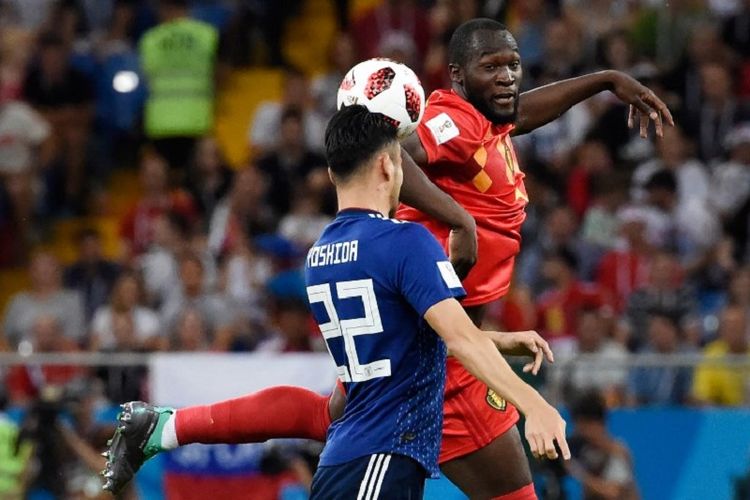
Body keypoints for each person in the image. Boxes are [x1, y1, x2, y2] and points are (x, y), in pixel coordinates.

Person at [102, 18, 672, 499]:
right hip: (441, 345)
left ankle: (166, 425)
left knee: (332, 414)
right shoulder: (452, 122)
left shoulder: (490, 124)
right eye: (491, 67)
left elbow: (517, 115)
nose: (506, 78)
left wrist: (604, 81)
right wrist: (460, 219)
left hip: (421, 318)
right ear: (454, 77)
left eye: (513, 65)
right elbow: (393, 149)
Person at [102, 105, 570, 497]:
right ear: (391, 165)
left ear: (331, 173)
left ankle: (168, 428)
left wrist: (501, 340)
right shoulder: (405, 242)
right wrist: (537, 406)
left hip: (356, 453)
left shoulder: (320, 254)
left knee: (326, 410)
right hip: (379, 459)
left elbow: (401, 339)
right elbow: (460, 338)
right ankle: (167, 428)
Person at [139, 0, 218, 171]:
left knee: (165, 179)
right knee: (194, 178)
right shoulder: (206, 35)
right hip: (196, 118)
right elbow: (220, 73)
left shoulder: (150, 39)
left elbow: (144, 77)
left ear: (164, 8)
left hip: (160, 122)